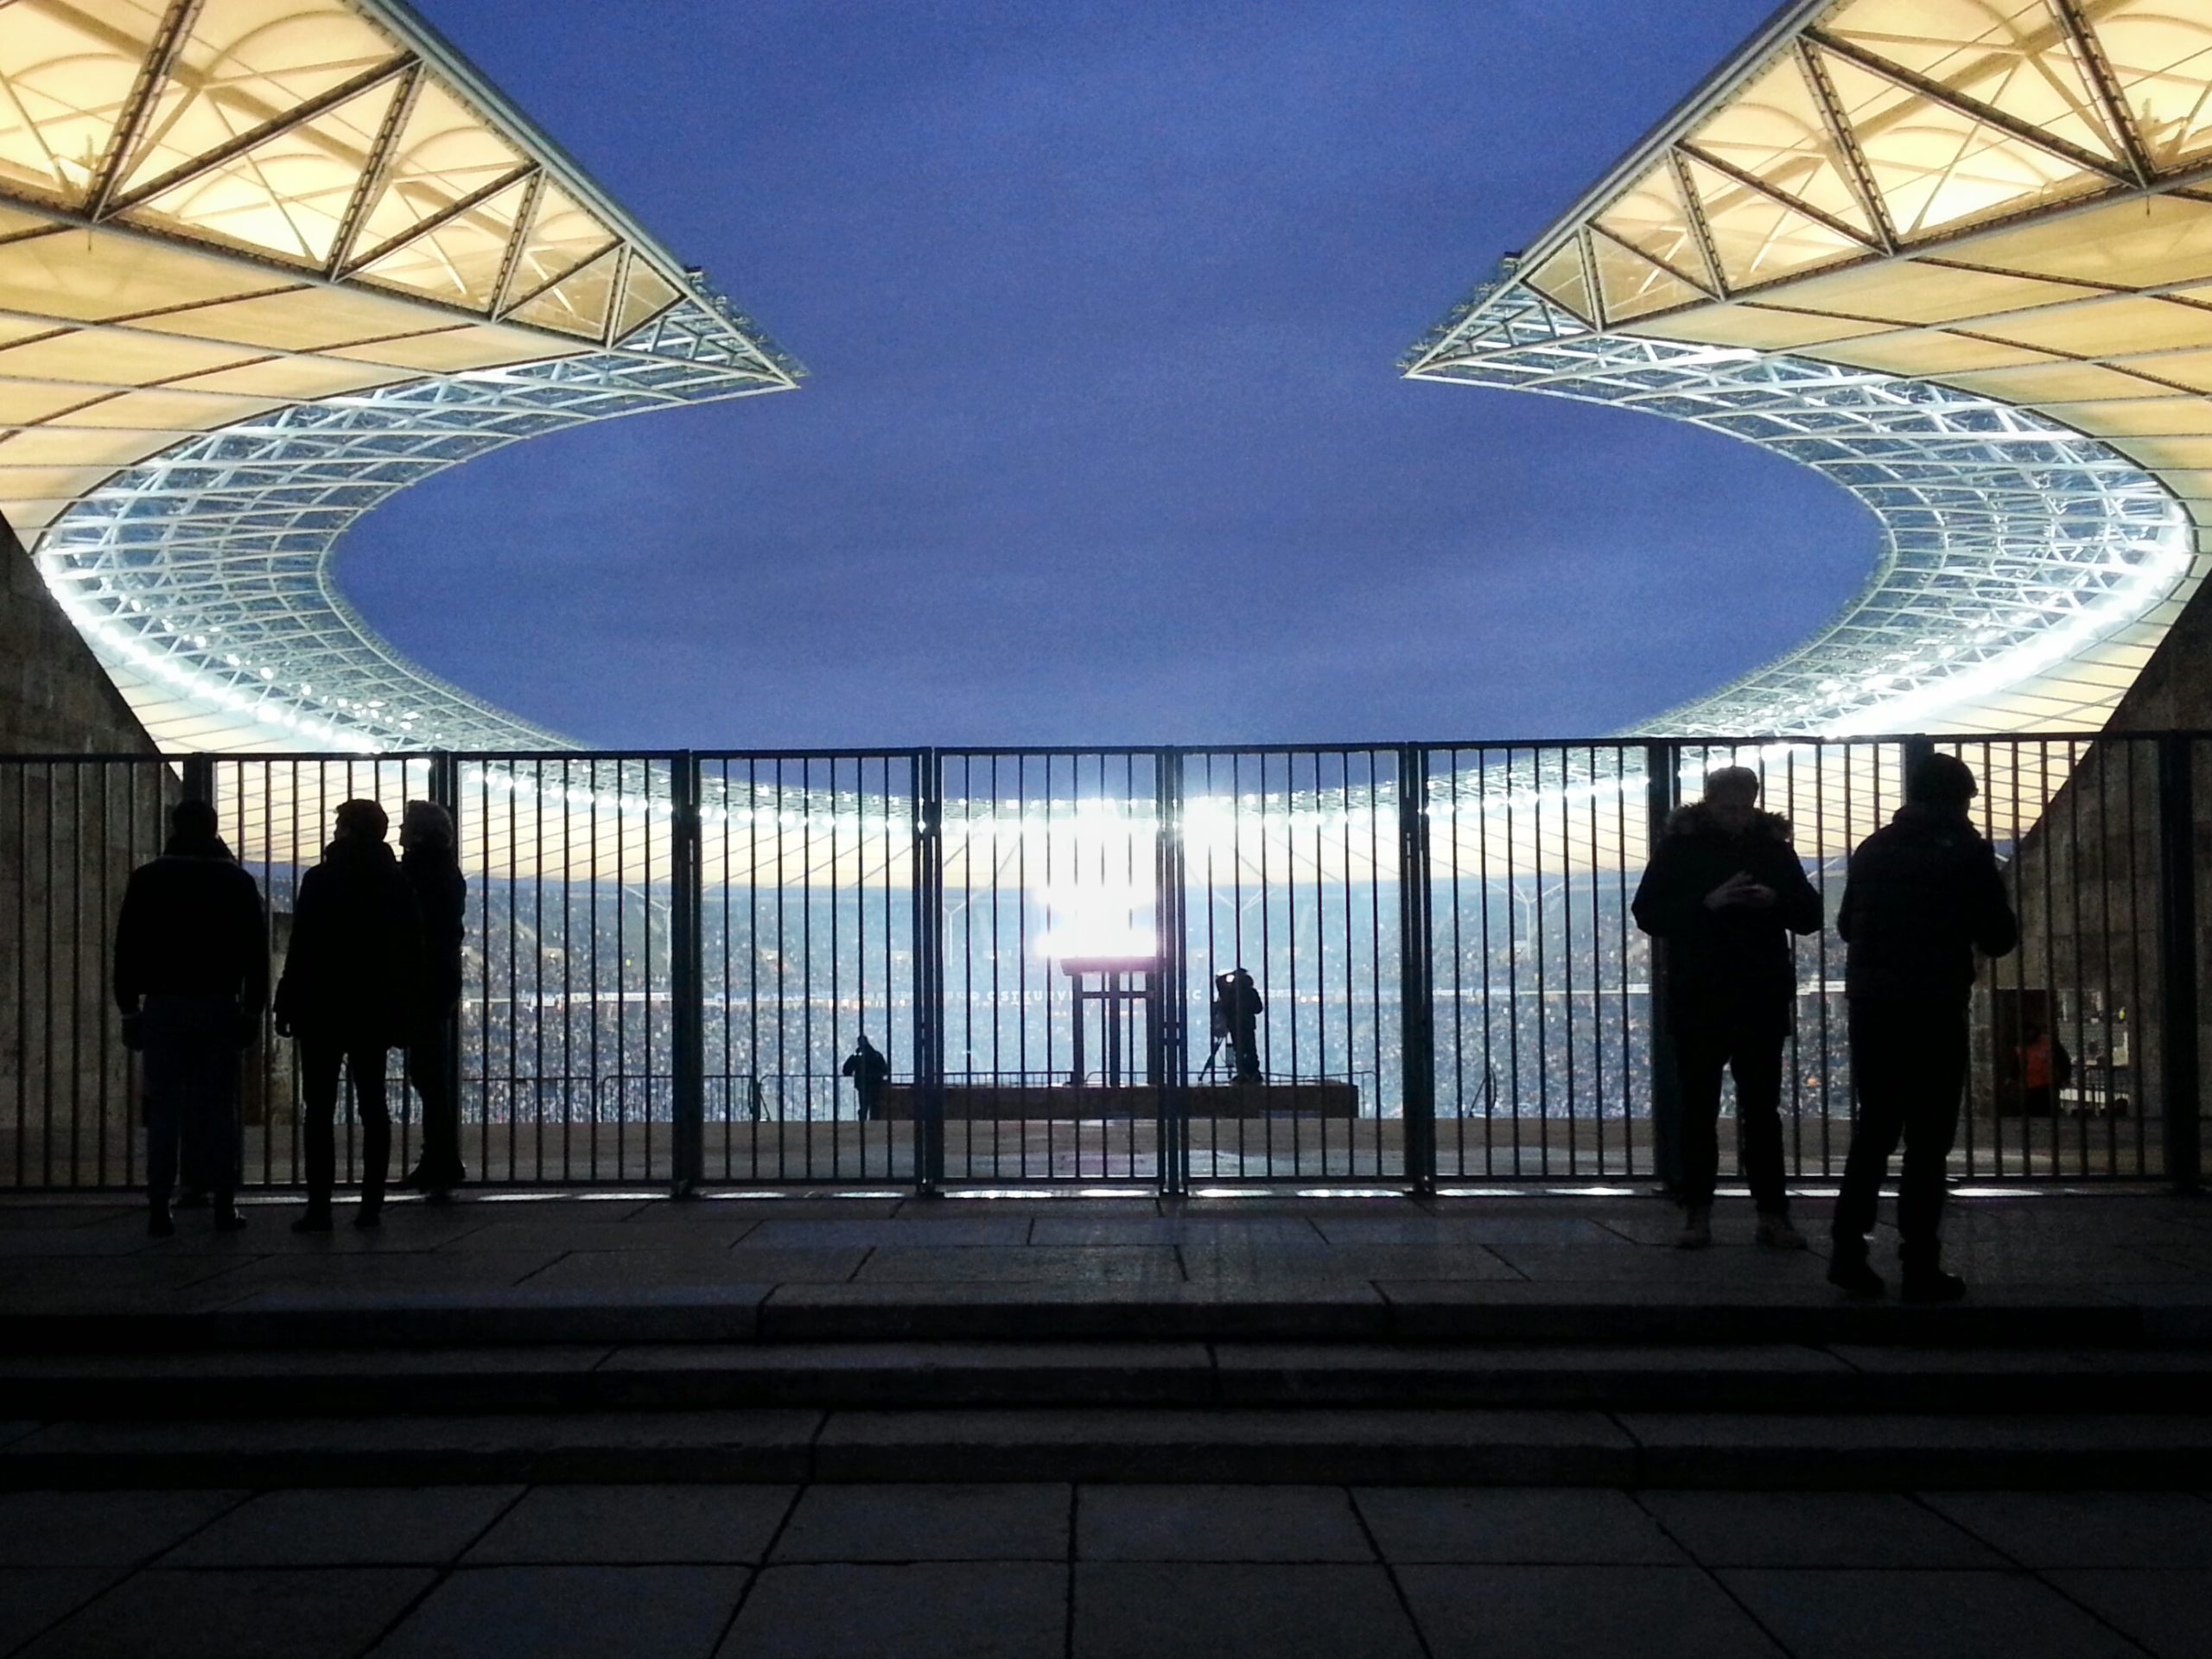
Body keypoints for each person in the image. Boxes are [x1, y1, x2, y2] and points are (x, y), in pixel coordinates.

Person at [1829, 753, 2018, 1302]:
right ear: (1961, 799)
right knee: (1929, 1141)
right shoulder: (1966, 852)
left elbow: (1844, 925)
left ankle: (1847, 1250)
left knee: (1874, 1134)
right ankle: (1919, 1262)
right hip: (1934, 1003)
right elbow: (1999, 936)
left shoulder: (1872, 849)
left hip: (1873, 1005)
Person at [1632, 766, 1823, 1249]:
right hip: (1706, 995)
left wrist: (1774, 899)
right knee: (1701, 1111)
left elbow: (1811, 915)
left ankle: (1770, 1215)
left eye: (1743, 808)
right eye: (1728, 808)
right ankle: (1700, 1212)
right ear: (1711, 803)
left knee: (1761, 1113)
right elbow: (1647, 912)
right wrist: (1709, 903)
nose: (1736, 817)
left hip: (1750, 994)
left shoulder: (1772, 851)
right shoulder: (1681, 849)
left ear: (1754, 803)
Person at [113, 798, 267, 1236]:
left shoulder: (148, 879)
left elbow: (126, 949)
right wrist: (252, 1010)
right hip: (218, 1004)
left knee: (164, 1109)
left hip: (163, 1005)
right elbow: (255, 955)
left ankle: (160, 1206)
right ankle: (223, 1203)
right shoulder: (235, 881)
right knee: (219, 1109)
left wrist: (129, 1008)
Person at [274, 799, 423, 1232]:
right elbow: (411, 951)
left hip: (322, 1005)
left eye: (339, 824)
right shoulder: (395, 882)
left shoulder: (321, 879)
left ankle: (319, 1206)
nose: (335, 831)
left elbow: (301, 946)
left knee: (318, 1109)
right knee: (374, 1105)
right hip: (372, 1008)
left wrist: (287, 1000)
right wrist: (405, 1008)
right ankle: (370, 1205)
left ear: (350, 831)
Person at [397, 800, 467, 1198]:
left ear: (419, 832)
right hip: (438, 980)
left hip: (421, 981)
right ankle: (441, 1157)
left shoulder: (419, 872)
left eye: (406, 825)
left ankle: (439, 1158)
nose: (401, 832)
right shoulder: (444, 870)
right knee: (429, 1073)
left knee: (428, 1074)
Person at [1213, 967, 1264, 1084]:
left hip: (1235, 1025)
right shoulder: (1251, 992)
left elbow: (1219, 983)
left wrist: (1229, 974)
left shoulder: (1231, 992)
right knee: (1250, 1048)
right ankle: (1253, 1072)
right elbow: (1258, 1009)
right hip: (1249, 1025)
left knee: (1239, 1049)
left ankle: (1243, 1073)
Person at [841, 1034, 890, 1121]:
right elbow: (885, 1070)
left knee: (864, 1106)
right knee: (875, 1105)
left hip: (863, 1084)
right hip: (876, 1084)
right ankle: (875, 1124)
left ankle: (862, 1123)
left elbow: (847, 1069)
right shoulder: (876, 1055)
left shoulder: (857, 1056)